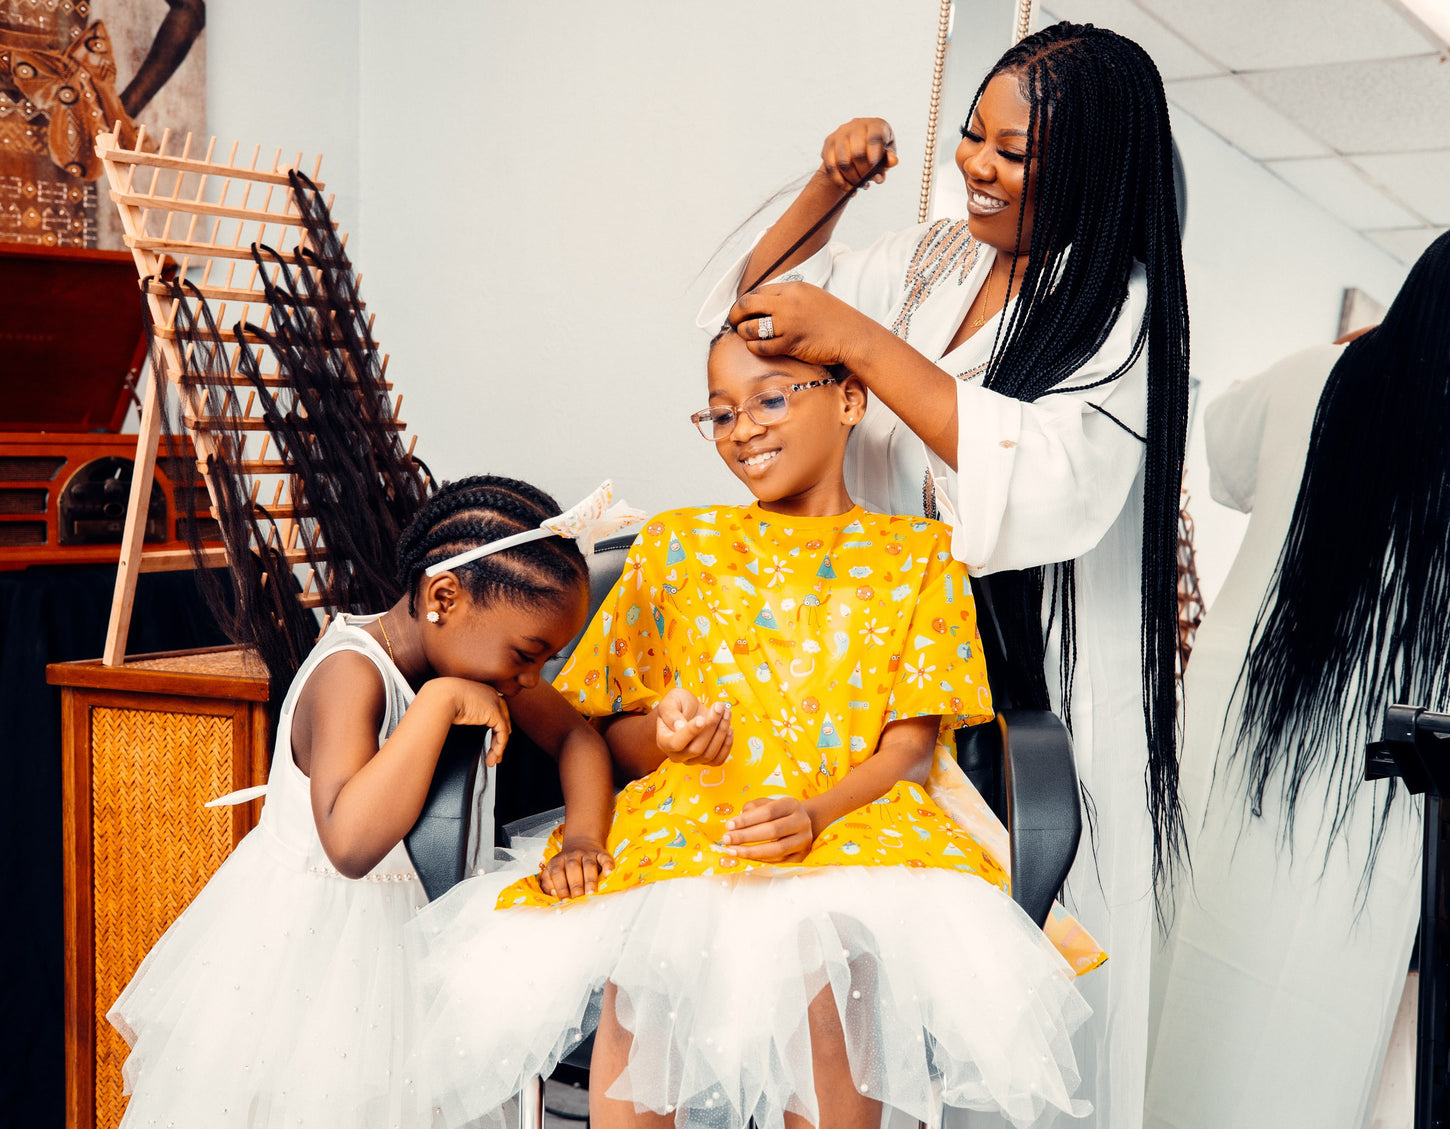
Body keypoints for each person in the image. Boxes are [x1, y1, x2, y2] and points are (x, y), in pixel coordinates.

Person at [408, 331, 1097, 1129]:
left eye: (770, 399)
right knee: (646, 966)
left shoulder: (920, 557)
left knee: (832, 964)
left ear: (849, 399)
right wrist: (666, 739)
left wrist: (815, 813)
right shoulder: (678, 546)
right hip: (693, 823)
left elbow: (910, 751)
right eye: (721, 413)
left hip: (850, 825)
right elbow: (608, 735)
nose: (742, 429)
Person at [697, 22, 1189, 1128]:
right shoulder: (932, 257)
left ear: (1093, 172)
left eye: (1011, 154)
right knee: (845, 1001)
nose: (976, 164)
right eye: (973, 136)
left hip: (1025, 703)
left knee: (1004, 1022)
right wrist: (827, 189)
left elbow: (1048, 487)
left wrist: (864, 345)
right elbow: (760, 324)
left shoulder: (1120, 312)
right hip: (875, 681)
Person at [107, 475, 617, 1129]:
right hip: (316, 960)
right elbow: (350, 844)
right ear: (443, 597)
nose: (530, 679)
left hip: (419, 934)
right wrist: (435, 707)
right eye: (525, 655)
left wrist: (583, 838)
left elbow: (579, 736)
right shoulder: (351, 673)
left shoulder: (473, 656)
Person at [1145, 220, 1450, 1129]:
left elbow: (1222, 462)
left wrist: (1346, 349)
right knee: (1312, 998)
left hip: (1235, 713)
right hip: (1375, 760)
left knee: (1177, 938)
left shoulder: (1313, 376)